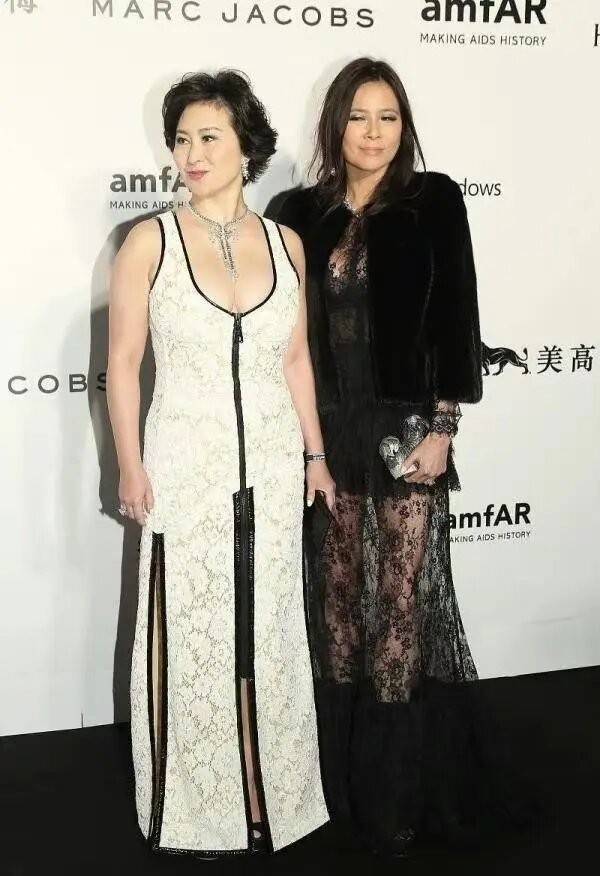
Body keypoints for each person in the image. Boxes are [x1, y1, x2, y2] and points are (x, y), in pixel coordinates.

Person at [274, 57, 522, 855]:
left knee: (401, 607)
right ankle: (336, 787)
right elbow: (285, 338)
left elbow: (456, 315)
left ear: (404, 126)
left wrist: (444, 427)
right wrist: (302, 443)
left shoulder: (433, 201)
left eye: (388, 117)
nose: (374, 132)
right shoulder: (296, 213)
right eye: (358, 116)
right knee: (337, 606)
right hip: (327, 435)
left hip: (408, 430)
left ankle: (397, 794)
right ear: (334, 125)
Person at [106, 69, 334, 857]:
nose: (191, 154)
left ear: (247, 145)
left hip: (272, 463)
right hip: (184, 464)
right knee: (190, 635)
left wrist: (315, 456)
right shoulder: (150, 242)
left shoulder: (286, 243)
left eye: (208, 136)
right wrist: (130, 465)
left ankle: (275, 801)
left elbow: (296, 360)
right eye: (180, 139)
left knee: (269, 633)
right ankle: (193, 816)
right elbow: (123, 362)